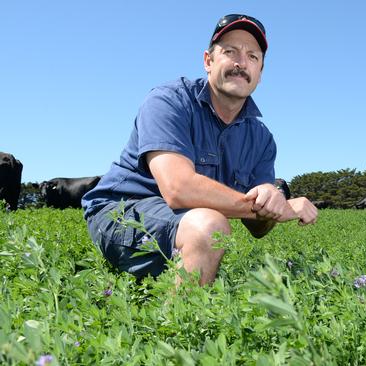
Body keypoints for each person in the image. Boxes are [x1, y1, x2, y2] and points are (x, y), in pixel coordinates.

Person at [81, 14, 318, 285]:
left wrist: (270, 202)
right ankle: (178, 327)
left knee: (209, 225)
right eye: (230, 52)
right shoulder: (169, 101)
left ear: (260, 74)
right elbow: (179, 189)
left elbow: (258, 229)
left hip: (182, 223)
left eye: (253, 56)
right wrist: (273, 206)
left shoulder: (261, 138)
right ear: (208, 61)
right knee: (210, 226)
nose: (241, 63)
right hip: (122, 212)